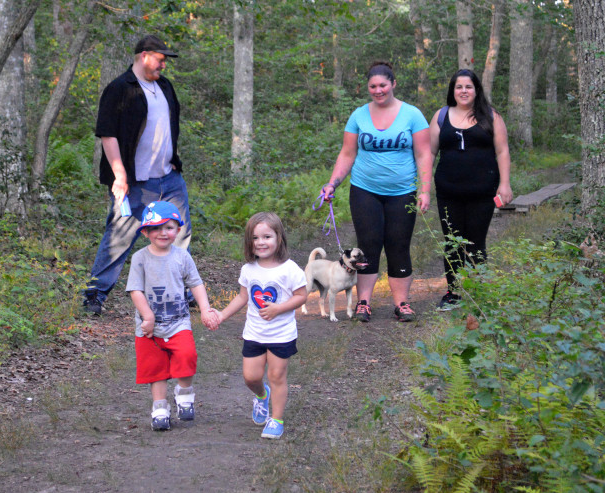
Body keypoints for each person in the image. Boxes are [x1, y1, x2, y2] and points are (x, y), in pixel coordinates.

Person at [84, 35, 189, 315]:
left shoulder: (165, 87)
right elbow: (107, 134)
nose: (163, 66)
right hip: (134, 183)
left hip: (169, 177)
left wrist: (173, 160)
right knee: (120, 236)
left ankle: (182, 290)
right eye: (160, 59)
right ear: (144, 56)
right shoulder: (119, 89)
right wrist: (120, 176)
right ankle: (94, 294)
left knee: (178, 233)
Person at [320, 61, 433, 323]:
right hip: (364, 191)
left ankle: (402, 304)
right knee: (367, 248)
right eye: (373, 86)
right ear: (368, 88)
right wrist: (332, 183)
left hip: (402, 192)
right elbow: (348, 153)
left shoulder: (412, 115)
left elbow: (424, 154)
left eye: (383, 85)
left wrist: (424, 190)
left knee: (398, 246)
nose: (378, 90)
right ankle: (363, 304)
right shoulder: (358, 115)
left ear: (393, 84)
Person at [213, 212, 307, 439]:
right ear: (249, 242)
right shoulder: (249, 269)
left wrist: (278, 308)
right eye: (255, 238)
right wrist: (222, 315)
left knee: (277, 376)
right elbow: (242, 297)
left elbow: (301, 296)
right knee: (251, 377)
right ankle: (262, 396)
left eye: (267, 236)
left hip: (281, 335)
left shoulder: (290, 268)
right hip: (254, 333)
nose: (261, 242)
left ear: (279, 238)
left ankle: (276, 420)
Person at [126, 201, 218, 431]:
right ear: (146, 232)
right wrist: (147, 316)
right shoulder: (140, 258)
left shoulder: (182, 256)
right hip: (149, 327)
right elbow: (135, 290)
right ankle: (159, 407)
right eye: (155, 228)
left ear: (178, 230)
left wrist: (205, 308)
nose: (162, 233)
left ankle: (184, 393)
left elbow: (195, 283)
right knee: (155, 368)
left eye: (168, 227)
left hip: (178, 322)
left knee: (186, 355)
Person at [429, 69, 512, 310]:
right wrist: (423, 185)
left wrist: (504, 184)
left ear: (476, 90)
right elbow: (430, 152)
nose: (463, 91)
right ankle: (453, 293)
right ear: (452, 91)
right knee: (453, 242)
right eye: (458, 87)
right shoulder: (441, 116)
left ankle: (478, 293)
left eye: (468, 87)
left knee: (476, 242)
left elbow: (502, 151)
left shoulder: (491, 116)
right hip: (448, 191)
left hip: (482, 191)